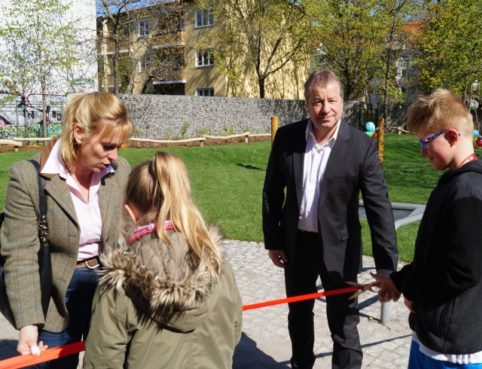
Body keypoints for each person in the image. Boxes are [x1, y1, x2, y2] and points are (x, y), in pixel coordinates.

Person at [262, 69, 398, 369]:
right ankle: (301, 364)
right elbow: (272, 191)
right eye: (317, 101)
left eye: (332, 101)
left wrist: (387, 267)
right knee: (298, 317)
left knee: (344, 324)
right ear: (306, 103)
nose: (325, 109)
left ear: (343, 102)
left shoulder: (361, 147)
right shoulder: (287, 138)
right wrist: (274, 241)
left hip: (341, 249)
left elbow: (379, 209)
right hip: (296, 247)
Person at [374, 88, 482, 369]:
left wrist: (413, 291)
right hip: (433, 334)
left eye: (426, 142)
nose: (423, 152)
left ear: (451, 136)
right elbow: (436, 257)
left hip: (453, 348)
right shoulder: (455, 181)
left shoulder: (471, 191)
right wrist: (399, 281)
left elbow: (461, 271)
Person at [0, 91, 134, 368]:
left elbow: (137, 232)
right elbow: (20, 255)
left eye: (119, 146)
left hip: (107, 288)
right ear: (78, 133)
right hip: (54, 296)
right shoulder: (27, 178)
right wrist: (28, 324)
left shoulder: (120, 173)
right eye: (108, 146)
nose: (114, 156)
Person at [82, 151, 242, 369]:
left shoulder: (118, 285)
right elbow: (233, 332)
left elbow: (101, 362)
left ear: (129, 210)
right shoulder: (218, 268)